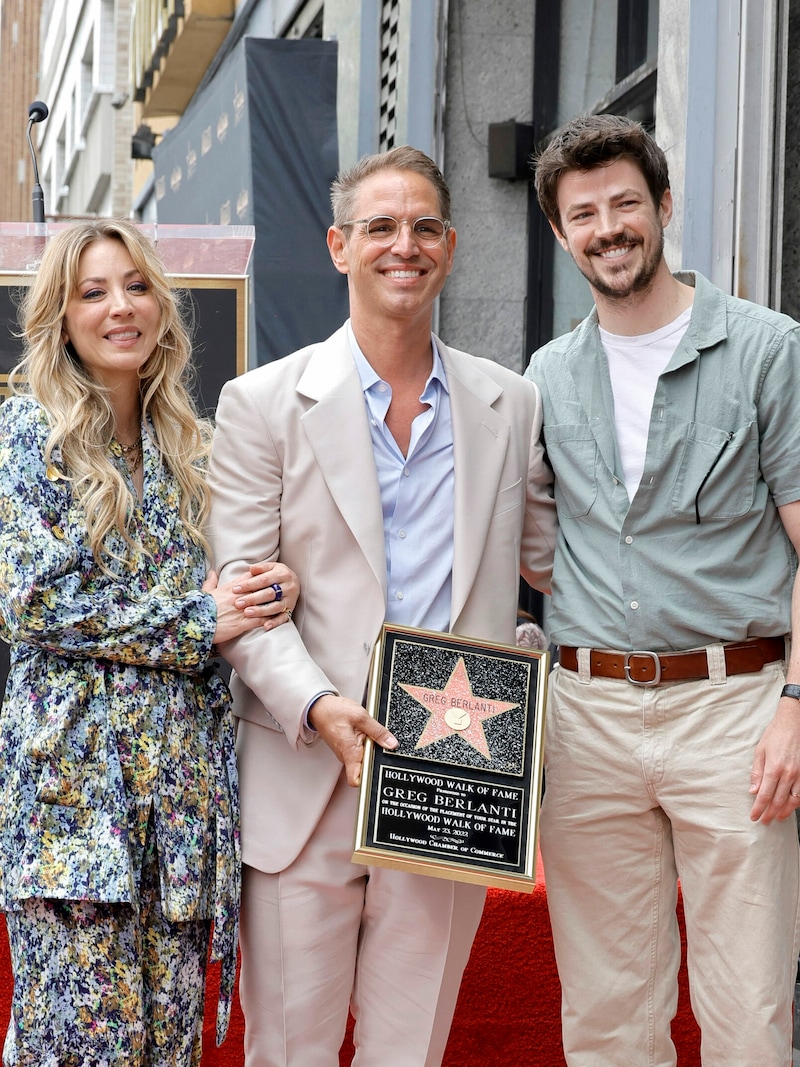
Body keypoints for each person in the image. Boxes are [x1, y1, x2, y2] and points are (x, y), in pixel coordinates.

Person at [207, 145, 557, 1066]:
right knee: (288, 1052)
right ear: (338, 245)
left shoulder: (512, 403)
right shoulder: (259, 404)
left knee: (413, 1051)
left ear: (449, 244)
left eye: (425, 226)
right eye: (380, 227)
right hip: (303, 772)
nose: (404, 245)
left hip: (450, 770)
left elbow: (559, 561)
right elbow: (241, 599)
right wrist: (319, 707)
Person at [524, 113, 800, 1065]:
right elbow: (530, 541)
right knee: (605, 1016)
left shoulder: (770, 350)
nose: (608, 228)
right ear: (562, 236)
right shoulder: (548, 376)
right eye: (584, 214)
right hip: (589, 713)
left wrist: (796, 706)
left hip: (735, 707)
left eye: (625, 204)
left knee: (747, 1007)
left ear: (664, 206)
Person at [0, 217, 300, 1066]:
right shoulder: (27, 435)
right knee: (75, 1050)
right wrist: (199, 618)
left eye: (135, 287)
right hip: (73, 810)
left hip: (181, 813)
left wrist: (274, 586)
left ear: (163, 308)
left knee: (169, 1049)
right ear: (61, 316)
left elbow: (242, 589)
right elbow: (38, 601)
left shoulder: (198, 450)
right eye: (93, 292)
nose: (119, 307)